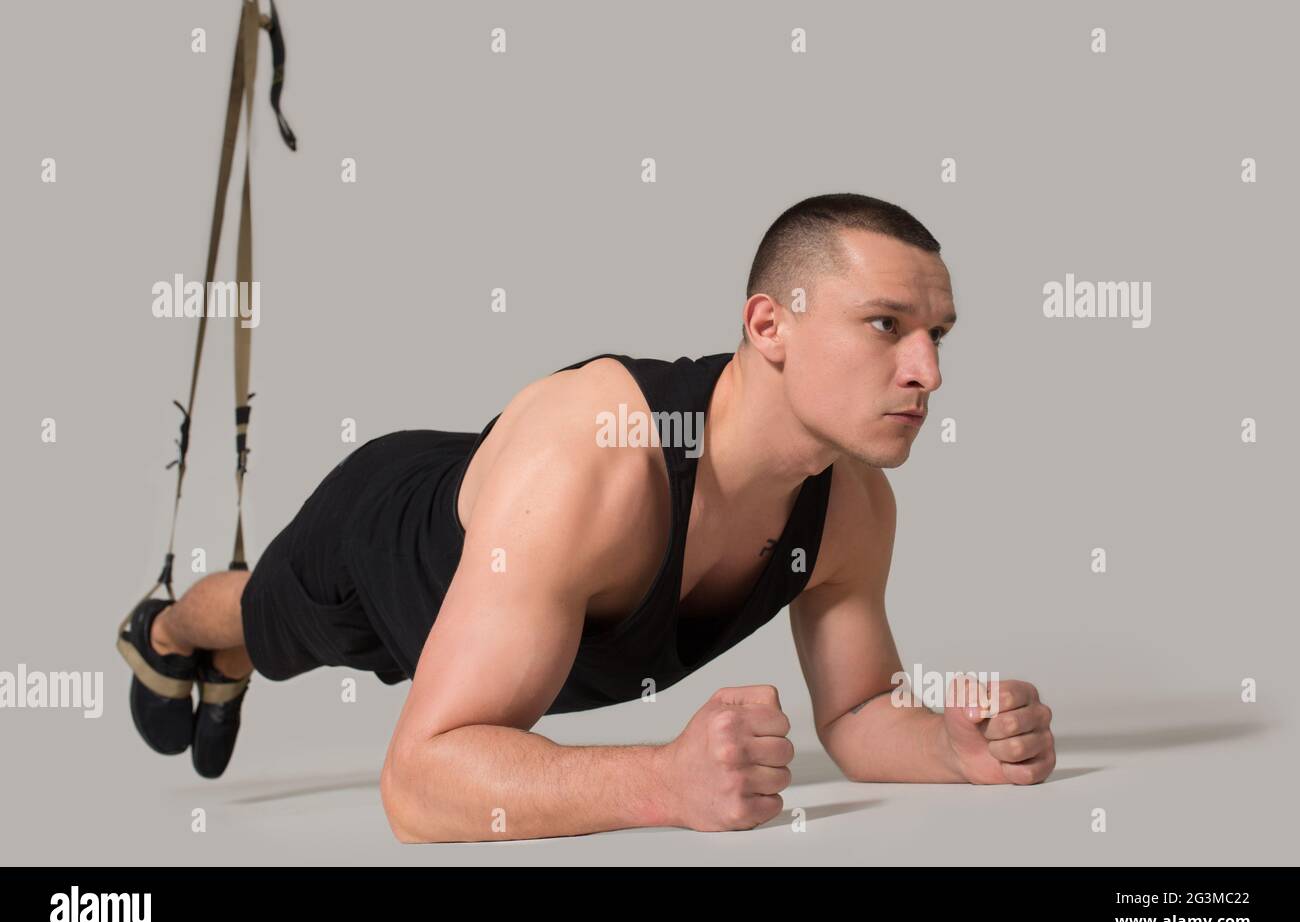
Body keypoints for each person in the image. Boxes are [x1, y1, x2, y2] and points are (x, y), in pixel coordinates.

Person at [116, 192, 1056, 841]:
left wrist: (946, 745)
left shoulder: (852, 506)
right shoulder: (593, 464)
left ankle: (220, 657)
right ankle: (166, 636)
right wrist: (665, 782)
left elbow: (855, 711)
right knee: (259, 626)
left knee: (289, 639)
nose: (929, 372)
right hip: (386, 547)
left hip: (507, 565)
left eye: (939, 336)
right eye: (887, 325)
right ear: (769, 326)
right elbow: (417, 786)